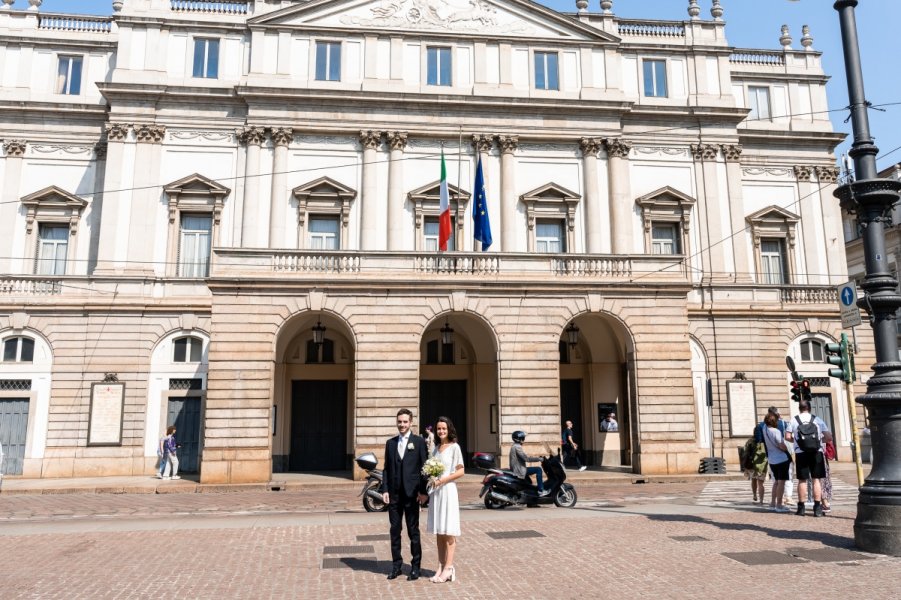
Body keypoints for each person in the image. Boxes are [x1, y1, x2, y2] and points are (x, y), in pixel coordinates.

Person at [380, 408, 428, 581]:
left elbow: (425, 469)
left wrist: (424, 492)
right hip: (394, 495)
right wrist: (384, 489)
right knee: (395, 531)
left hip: (412, 494)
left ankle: (416, 567)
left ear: (411, 423)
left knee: (413, 531)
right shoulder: (390, 443)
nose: (402, 424)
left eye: (405, 422)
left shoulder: (419, 442)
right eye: (399, 421)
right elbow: (386, 469)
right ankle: (396, 566)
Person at [426, 416, 464, 583]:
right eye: (439, 429)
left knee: (449, 532)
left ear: (449, 430)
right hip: (437, 493)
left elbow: (460, 471)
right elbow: (432, 469)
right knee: (439, 532)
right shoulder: (435, 449)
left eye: (444, 429)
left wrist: (442, 480)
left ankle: (449, 568)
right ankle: (441, 566)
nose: (441, 431)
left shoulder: (455, 447)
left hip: (448, 491)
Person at [787, 400, 832, 517]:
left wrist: (796, 442)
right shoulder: (817, 420)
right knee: (816, 480)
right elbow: (828, 437)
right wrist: (818, 442)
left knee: (802, 480)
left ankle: (801, 508)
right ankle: (817, 508)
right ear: (810, 408)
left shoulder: (794, 420)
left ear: (799, 408)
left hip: (801, 453)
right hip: (816, 452)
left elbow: (787, 436)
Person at [761, 412, 791, 512]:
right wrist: (786, 448)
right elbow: (781, 445)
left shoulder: (764, 429)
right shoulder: (776, 431)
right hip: (781, 459)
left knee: (776, 482)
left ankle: (773, 503)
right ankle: (779, 505)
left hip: (772, 459)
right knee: (781, 482)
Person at [508, 430, 547, 496]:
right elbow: (526, 459)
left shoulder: (514, 446)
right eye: (523, 438)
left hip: (518, 469)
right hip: (519, 471)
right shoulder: (517, 447)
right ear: (519, 439)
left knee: (529, 483)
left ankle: (532, 502)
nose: (523, 439)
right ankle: (541, 490)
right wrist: (539, 459)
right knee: (538, 469)